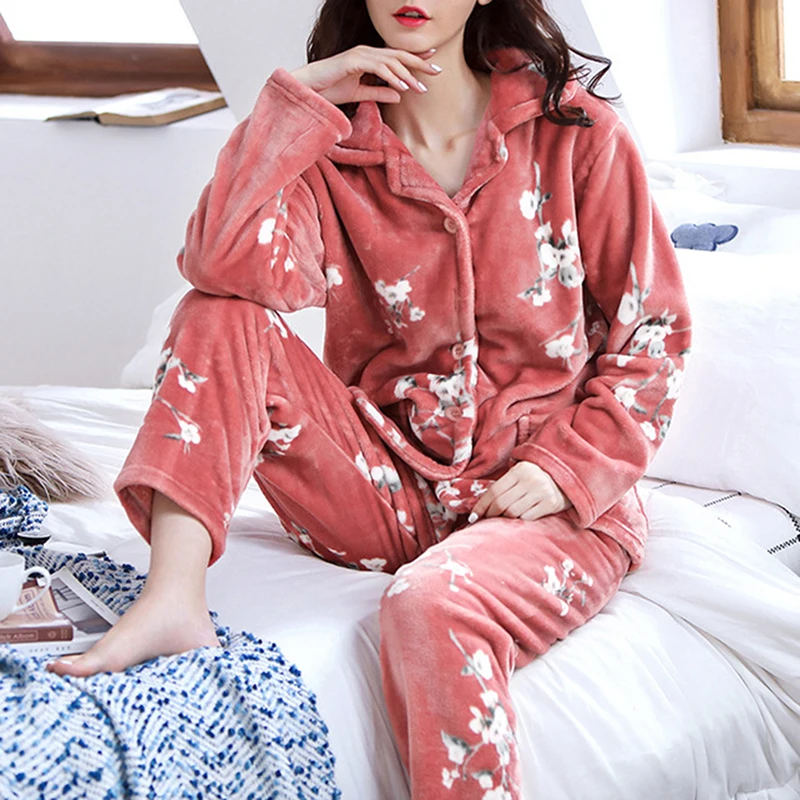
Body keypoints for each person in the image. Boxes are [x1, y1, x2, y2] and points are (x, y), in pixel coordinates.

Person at [48, 0, 692, 796]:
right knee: (217, 313)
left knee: (432, 605)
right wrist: (292, 107)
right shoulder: (333, 149)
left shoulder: (575, 132)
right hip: (383, 491)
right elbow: (220, 265)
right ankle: (173, 596)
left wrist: (565, 468)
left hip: (540, 503)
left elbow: (655, 336)